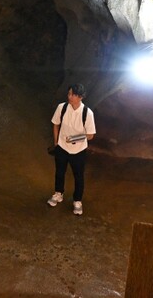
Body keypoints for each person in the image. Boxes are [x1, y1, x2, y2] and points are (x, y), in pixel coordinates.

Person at [47, 84, 96, 216]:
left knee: (78, 176)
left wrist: (76, 138)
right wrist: (56, 142)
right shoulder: (62, 107)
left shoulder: (87, 113)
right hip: (62, 147)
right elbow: (55, 124)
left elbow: (90, 135)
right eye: (69, 94)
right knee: (59, 172)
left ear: (80, 97)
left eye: (73, 95)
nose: (70, 97)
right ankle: (58, 193)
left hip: (79, 150)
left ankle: (77, 200)